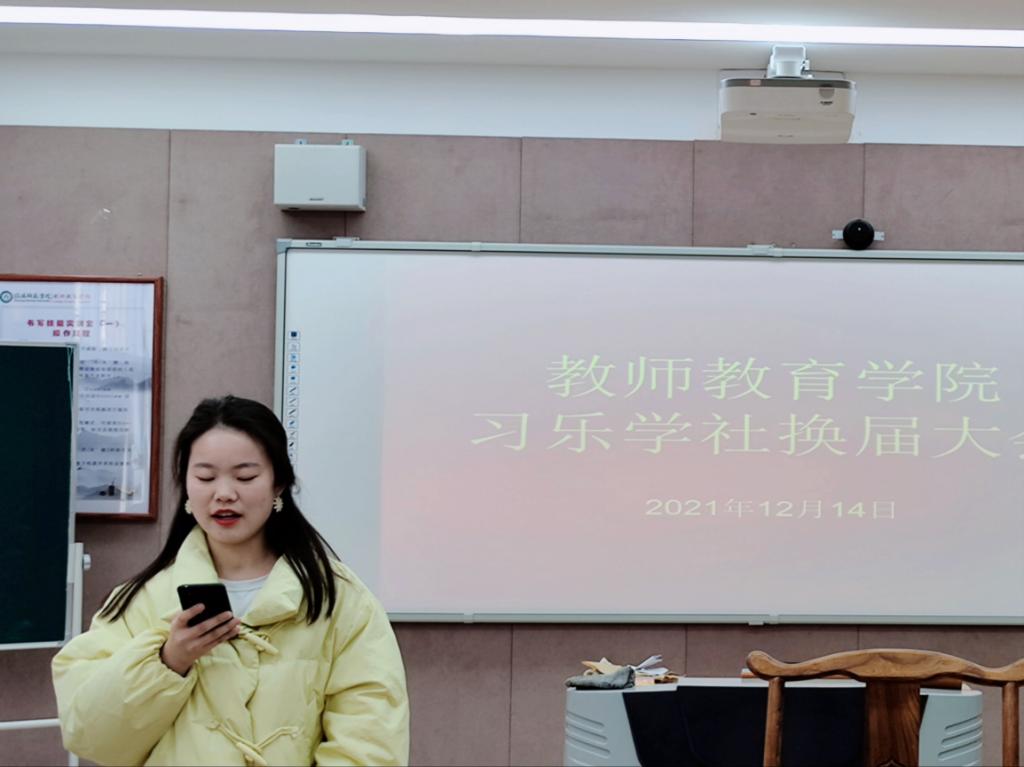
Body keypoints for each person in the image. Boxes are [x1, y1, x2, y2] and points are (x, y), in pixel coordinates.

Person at [52, 395, 409, 766]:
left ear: (279, 484)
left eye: (245, 477)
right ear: (186, 486)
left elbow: (371, 743)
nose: (224, 493)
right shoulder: (141, 600)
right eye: (205, 477)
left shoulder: (338, 598)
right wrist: (167, 661)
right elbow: (89, 735)